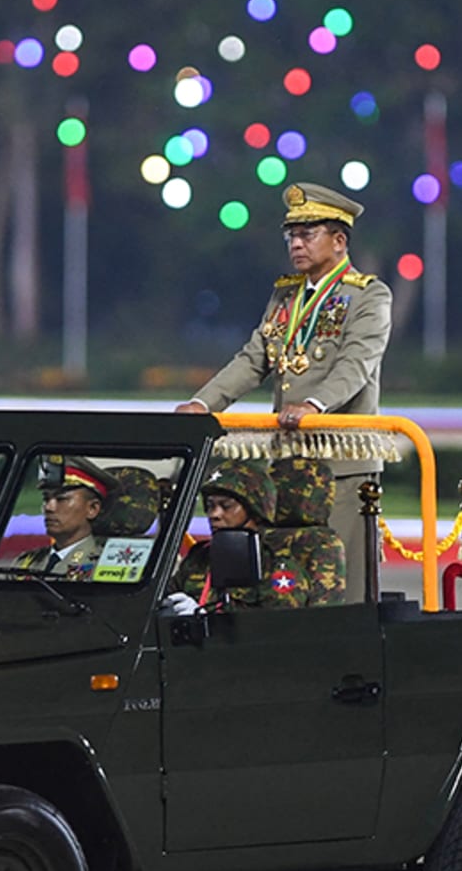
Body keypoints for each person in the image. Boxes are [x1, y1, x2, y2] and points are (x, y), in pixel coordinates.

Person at [175, 182, 392, 598]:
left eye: (307, 234)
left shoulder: (368, 295)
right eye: (291, 235)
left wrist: (314, 404)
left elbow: (356, 365)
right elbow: (253, 358)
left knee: (344, 587)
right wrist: (203, 402)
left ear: (339, 240)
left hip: (341, 466)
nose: (296, 243)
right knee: (288, 579)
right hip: (289, 461)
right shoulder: (286, 295)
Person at [165, 461, 314, 611]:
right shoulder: (198, 558)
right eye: (210, 506)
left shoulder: (275, 567)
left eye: (226, 506)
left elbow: (281, 630)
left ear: (253, 510)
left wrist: (206, 622)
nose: (213, 514)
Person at [12, 455, 116, 577]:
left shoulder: (107, 565)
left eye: (61, 499)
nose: (49, 508)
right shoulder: (25, 564)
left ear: (92, 509)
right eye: (46, 499)